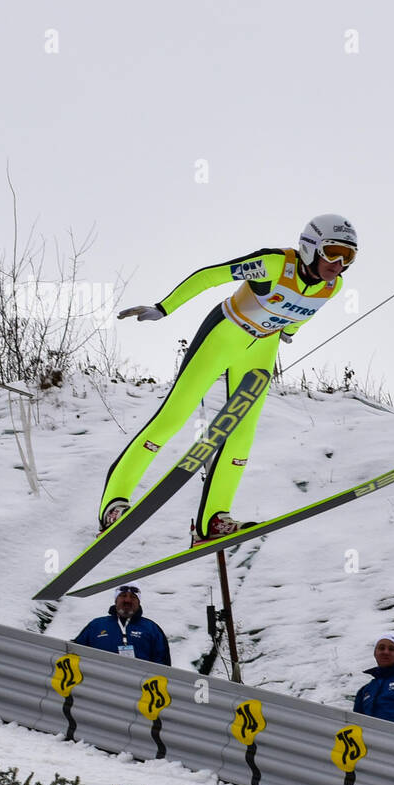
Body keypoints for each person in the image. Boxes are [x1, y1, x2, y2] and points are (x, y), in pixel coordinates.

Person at [100, 214, 358, 543]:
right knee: (173, 417)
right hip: (224, 334)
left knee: (243, 432)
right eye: (333, 252)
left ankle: (215, 518)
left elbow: (303, 312)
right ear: (310, 247)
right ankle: (114, 504)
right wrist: (164, 307)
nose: (338, 263)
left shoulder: (333, 288)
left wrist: (289, 331)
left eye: (348, 256)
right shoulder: (273, 264)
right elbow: (210, 276)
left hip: (263, 347)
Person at [73, 584, 171, 665]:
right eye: (123, 595)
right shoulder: (96, 625)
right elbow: (74, 653)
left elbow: (163, 664)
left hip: (137, 686)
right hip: (99, 684)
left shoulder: (151, 628)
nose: (127, 600)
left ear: (139, 602)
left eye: (133, 597)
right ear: (115, 600)